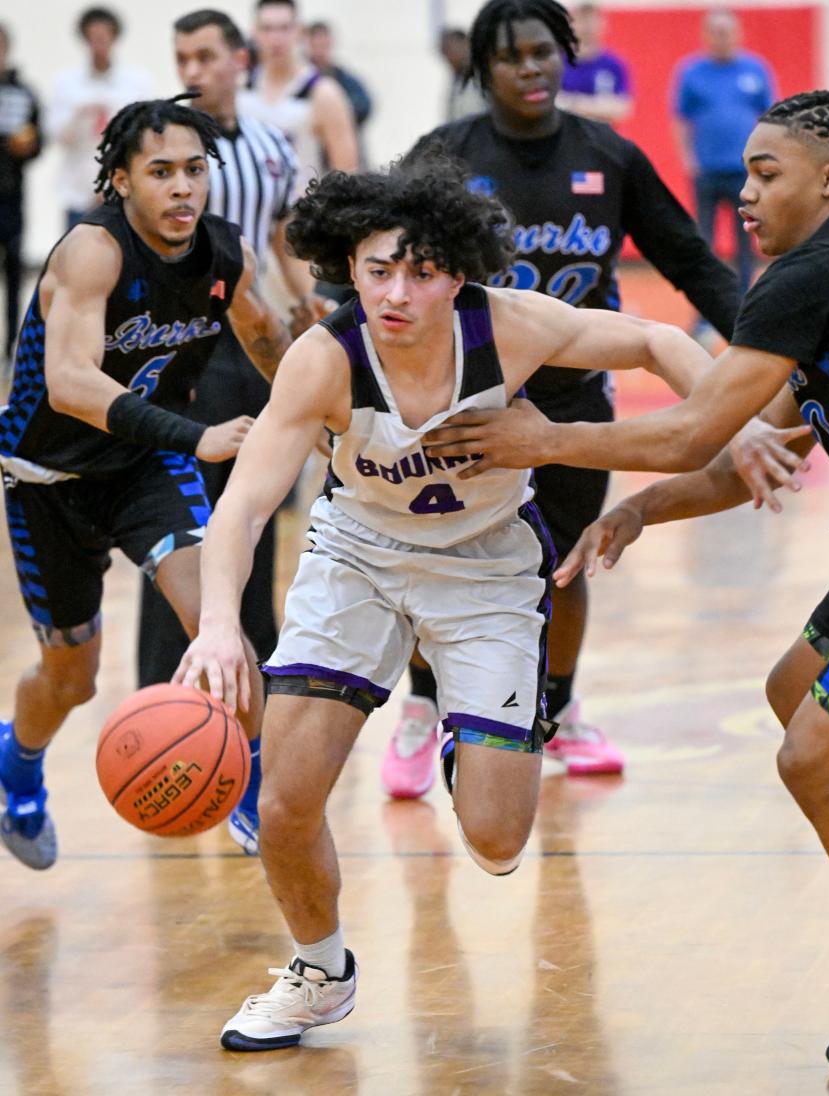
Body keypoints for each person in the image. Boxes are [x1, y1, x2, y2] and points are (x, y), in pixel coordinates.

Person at [430, 89, 829, 1075]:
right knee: (796, 688)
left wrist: (549, 437)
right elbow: (755, 449)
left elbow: (690, 424)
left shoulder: (816, 271)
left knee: (812, 759)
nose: (746, 194)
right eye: (747, 173)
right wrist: (638, 509)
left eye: (768, 174)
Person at [172, 151, 734, 1050]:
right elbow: (241, 506)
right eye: (377, 269)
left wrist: (727, 421)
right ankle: (319, 971)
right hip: (358, 558)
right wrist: (219, 625)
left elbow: (656, 341)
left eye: (421, 272)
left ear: (458, 272)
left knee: (499, 841)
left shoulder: (508, 327)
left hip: (484, 569)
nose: (396, 291)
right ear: (347, 267)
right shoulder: (326, 359)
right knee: (284, 798)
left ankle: (459, 732)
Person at [381, 0, 741, 798]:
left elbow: (690, 259)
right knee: (432, 556)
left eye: (544, 52)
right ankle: (420, 708)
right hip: (459, 399)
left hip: (576, 402)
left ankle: (559, 711)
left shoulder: (607, 154)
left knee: (566, 562)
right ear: (483, 69)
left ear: (565, 54)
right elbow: (379, 259)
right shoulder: (442, 155)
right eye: (511, 57)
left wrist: (760, 345)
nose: (532, 69)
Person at [0, 96, 292, 872]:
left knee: (221, 626)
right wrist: (196, 436)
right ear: (123, 181)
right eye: (160, 172)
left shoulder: (226, 257)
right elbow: (68, 383)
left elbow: (263, 333)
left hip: (142, 468)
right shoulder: (91, 252)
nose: (182, 188)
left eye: (194, 170)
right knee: (72, 678)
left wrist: (324, 411)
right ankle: (19, 765)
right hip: (46, 478)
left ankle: (258, 799)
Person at [137, 9, 322, 859]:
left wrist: (309, 309)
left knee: (254, 528)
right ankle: (163, 711)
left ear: (239, 61)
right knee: (181, 523)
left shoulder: (274, 144)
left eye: (205, 55)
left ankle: (252, 713)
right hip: (185, 359)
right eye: (182, 57)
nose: (193, 68)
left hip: (252, 353)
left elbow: (282, 238)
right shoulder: (163, 153)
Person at [672, 8, 775, 298]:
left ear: (738, 33)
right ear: (706, 35)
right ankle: (707, 303)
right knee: (703, 241)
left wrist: (765, 161)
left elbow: (770, 117)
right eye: (716, 32)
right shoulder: (691, 72)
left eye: (727, 31)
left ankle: (744, 300)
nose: (722, 37)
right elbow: (681, 118)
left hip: (746, 173)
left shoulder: (755, 70)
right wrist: (687, 158)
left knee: (748, 238)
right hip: (706, 171)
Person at [48, 7, 152, 230]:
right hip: (77, 189)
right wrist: (80, 112)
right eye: (93, 38)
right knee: (76, 257)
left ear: (114, 37)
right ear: (84, 39)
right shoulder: (66, 83)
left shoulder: (137, 82)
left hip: (123, 189)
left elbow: (145, 135)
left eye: (104, 37)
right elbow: (56, 135)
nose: (99, 44)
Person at [241, 0, 359, 196]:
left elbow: (348, 175)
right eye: (267, 29)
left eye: (284, 28)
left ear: (299, 32)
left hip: (301, 217)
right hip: (251, 221)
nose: (276, 38)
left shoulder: (323, 93)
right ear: (254, 32)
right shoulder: (240, 91)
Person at [0, 23, 42, 366]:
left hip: (11, 197)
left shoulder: (23, 93)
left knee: (14, 272)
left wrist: (28, 147)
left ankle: (10, 348)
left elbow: (38, 139)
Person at [557, 3, 632, 125]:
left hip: (602, 139)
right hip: (566, 138)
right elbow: (553, 104)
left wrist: (576, 104)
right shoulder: (559, 62)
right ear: (571, 25)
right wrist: (598, 106)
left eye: (592, 19)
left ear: (603, 24)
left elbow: (622, 109)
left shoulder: (614, 65)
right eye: (582, 19)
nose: (587, 26)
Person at [305, 20, 373, 139]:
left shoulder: (346, 80)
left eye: (324, 45)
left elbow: (364, 107)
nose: (320, 51)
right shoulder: (300, 80)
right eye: (316, 45)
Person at [439, 28, 486, 123]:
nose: (448, 57)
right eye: (444, 53)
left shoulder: (483, 74)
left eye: (451, 50)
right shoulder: (456, 80)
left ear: (465, 44)